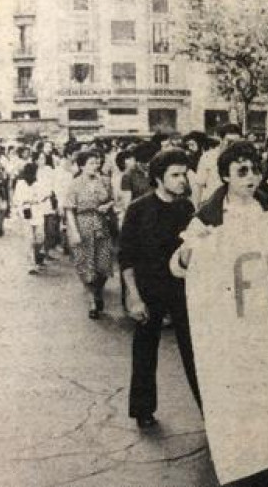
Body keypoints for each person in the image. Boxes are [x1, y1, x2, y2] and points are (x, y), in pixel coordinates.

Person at [171, 140, 268, 487]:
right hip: (228, 319)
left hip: (267, 314)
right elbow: (179, 265)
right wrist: (194, 248)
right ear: (225, 177)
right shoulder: (208, 214)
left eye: (256, 170)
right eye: (242, 171)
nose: (251, 178)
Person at [121, 150, 195, 429]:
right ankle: (143, 410)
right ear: (158, 178)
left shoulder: (186, 208)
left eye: (184, 174)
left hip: (182, 289)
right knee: (145, 350)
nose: (182, 180)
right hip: (149, 290)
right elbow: (126, 256)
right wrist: (134, 298)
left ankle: (209, 410)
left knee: (194, 350)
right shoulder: (139, 209)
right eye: (175, 175)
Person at [65, 150, 115, 319]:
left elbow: (113, 199)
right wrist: (74, 232)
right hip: (83, 224)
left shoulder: (105, 181)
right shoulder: (75, 184)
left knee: (103, 264)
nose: (96, 165)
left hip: (102, 224)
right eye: (92, 163)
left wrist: (107, 206)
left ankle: (98, 290)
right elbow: (69, 210)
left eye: (98, 162)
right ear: (82, 165)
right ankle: (92, 301)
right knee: (86, 265)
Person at [192, 122, 242, 206]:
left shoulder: (242, 159)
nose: (233, 145)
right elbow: (199, 185)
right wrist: (196, 206)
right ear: (221, 140)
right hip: (212, 204)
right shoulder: (208, 157)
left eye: (236, 142)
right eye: (229, 141)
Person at [13, 162, 49, 275]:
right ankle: (31, 265)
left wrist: (42, 198)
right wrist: (28, 201)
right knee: (28, 239)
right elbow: (17, 199)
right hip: (26, 213)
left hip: (38, 212)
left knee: (40, 237)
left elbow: (45, 195)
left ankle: (39, 256)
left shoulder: (39, 183)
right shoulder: (20, 184)